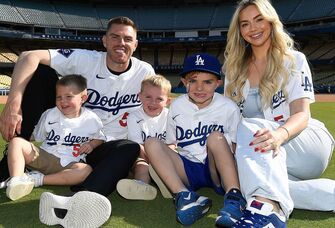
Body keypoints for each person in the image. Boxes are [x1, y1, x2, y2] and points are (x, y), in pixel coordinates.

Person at [0, 16, 155, 197]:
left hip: (104, 148)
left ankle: (84, 195)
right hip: (71, 137)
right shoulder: (86, 60)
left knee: (129, 148)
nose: (121, 43)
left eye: (128, 39)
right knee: (40, 72)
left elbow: (152, 109)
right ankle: (18, 154)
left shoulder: (144, 71)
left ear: (135, 44)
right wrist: (13, 105)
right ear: (104, 41)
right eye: (115, 37)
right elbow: (29, 56)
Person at [223, 0, 335, 227]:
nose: (252, 28)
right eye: (245, 24)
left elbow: (302, 114)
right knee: (253, 181)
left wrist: (279, 135)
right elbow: (229, 119)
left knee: (250, 131)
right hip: (265, 152)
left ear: (271, 20)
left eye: (258, 19)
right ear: (240, 31)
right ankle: (270, 204)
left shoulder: (293, 59)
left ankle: (267, 212)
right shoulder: (234, 70)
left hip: (302, 143)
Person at [144, 53, 247, 226]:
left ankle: (234, 196)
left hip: (218, 168)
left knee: (215, 137)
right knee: (151, 142)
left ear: (218, 84)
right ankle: (184, 195)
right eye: (193, 81)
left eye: (208, 82)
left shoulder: (229, 107)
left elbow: (237, 146)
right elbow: (170, 143)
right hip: (188, 167)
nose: (200, 88)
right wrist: (167, 163)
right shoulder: (177, 106)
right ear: (184, 82)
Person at [6, 75, 105, 201]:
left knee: (85, 171)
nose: (63, 101)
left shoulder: (91, 119)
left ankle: (36, 180)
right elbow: (36, 136)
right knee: (17, 143)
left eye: (69, 97)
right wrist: (16, 137)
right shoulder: (50, 114)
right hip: (45, 156)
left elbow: (100, 138)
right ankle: (17, 180)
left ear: (83, 98)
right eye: (59, 97)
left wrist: (91, 145)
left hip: (69, 163)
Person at [116, 74, 172, 200]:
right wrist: (153, 161)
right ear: (140, 96)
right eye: (148, 97)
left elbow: (172, 144)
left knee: (175, 158)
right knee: (142, 167)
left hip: (165, 158)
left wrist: (162, 161)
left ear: (168, 101)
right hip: (143, 156)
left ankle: (170, 185)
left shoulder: (170, 117)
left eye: (159, 99)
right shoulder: (134, 117)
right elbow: (138, 146)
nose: (153, 102)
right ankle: (142, 186)